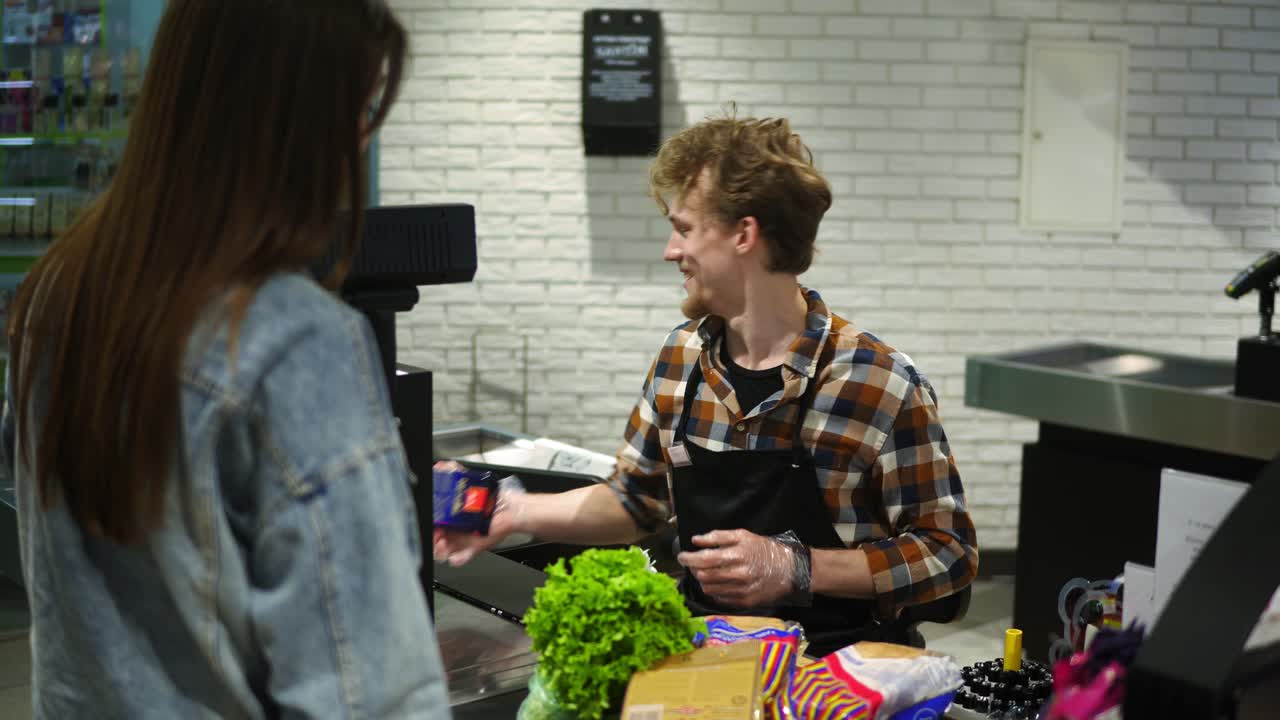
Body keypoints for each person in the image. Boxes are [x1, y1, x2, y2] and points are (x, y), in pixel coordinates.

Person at [3, 2, 451, 717]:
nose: (362, 137)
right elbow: (367, 688)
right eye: (357, 106)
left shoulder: (59, 290)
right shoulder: (294, 341)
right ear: (290, 117)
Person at [435, 113, 978, 657]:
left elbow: (948, 554)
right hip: (704, 665)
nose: (672, 250)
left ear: (744, 234)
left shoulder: (874, 382)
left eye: (686, 228)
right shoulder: (681, 358)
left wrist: (800, 568)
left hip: (839, 676)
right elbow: (636, 502)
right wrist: (515, 512)